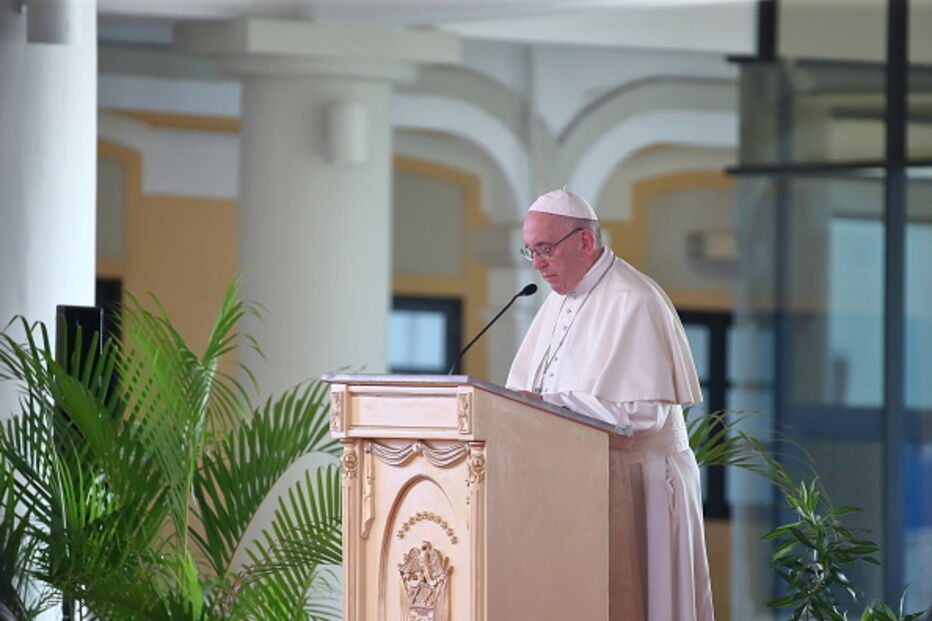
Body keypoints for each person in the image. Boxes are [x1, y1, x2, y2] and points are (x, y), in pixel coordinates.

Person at [506, 188, 715, 621]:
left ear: (584, 241)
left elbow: (641, 414)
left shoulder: (634, 298)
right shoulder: (557, 304)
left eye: (545, 249)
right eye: (531, 251)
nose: (537, 263)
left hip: (643, 487)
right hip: (575, 487)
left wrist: (544, 403)